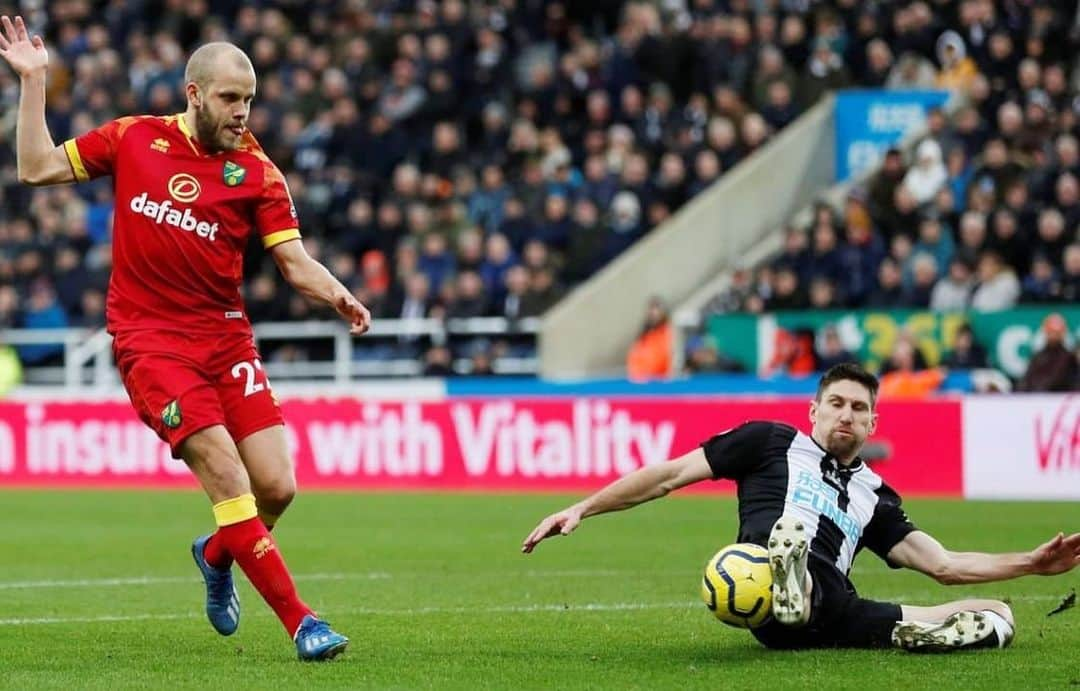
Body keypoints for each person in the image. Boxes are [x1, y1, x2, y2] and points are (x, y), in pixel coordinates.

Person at [0, 16, 369, 660]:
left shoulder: (259, 172)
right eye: (230, 98)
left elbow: (293, 261)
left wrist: (335, 290)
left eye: (249, 99)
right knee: (226, 474)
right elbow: (35, 168)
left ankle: (215, 551)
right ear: (194, 93)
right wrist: (33, 83)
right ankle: (303, 622)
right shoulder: (135, 138)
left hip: (225, 340)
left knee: (277, 489)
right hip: (151, 342)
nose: (242, 112)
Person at [522, 363, 1080, 651]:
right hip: (759, 582)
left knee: (999, 615)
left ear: (872, 424)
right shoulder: (769, 442)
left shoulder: (875, 495)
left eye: (858, 409)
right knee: (770, 551)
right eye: (835, 403)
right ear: (814, 410)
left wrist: (1031, 564)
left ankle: (908, 631)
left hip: (834, 612)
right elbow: (667, 476)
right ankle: (789, 580)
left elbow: (943, 564)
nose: (845, 415)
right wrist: (582, 508)